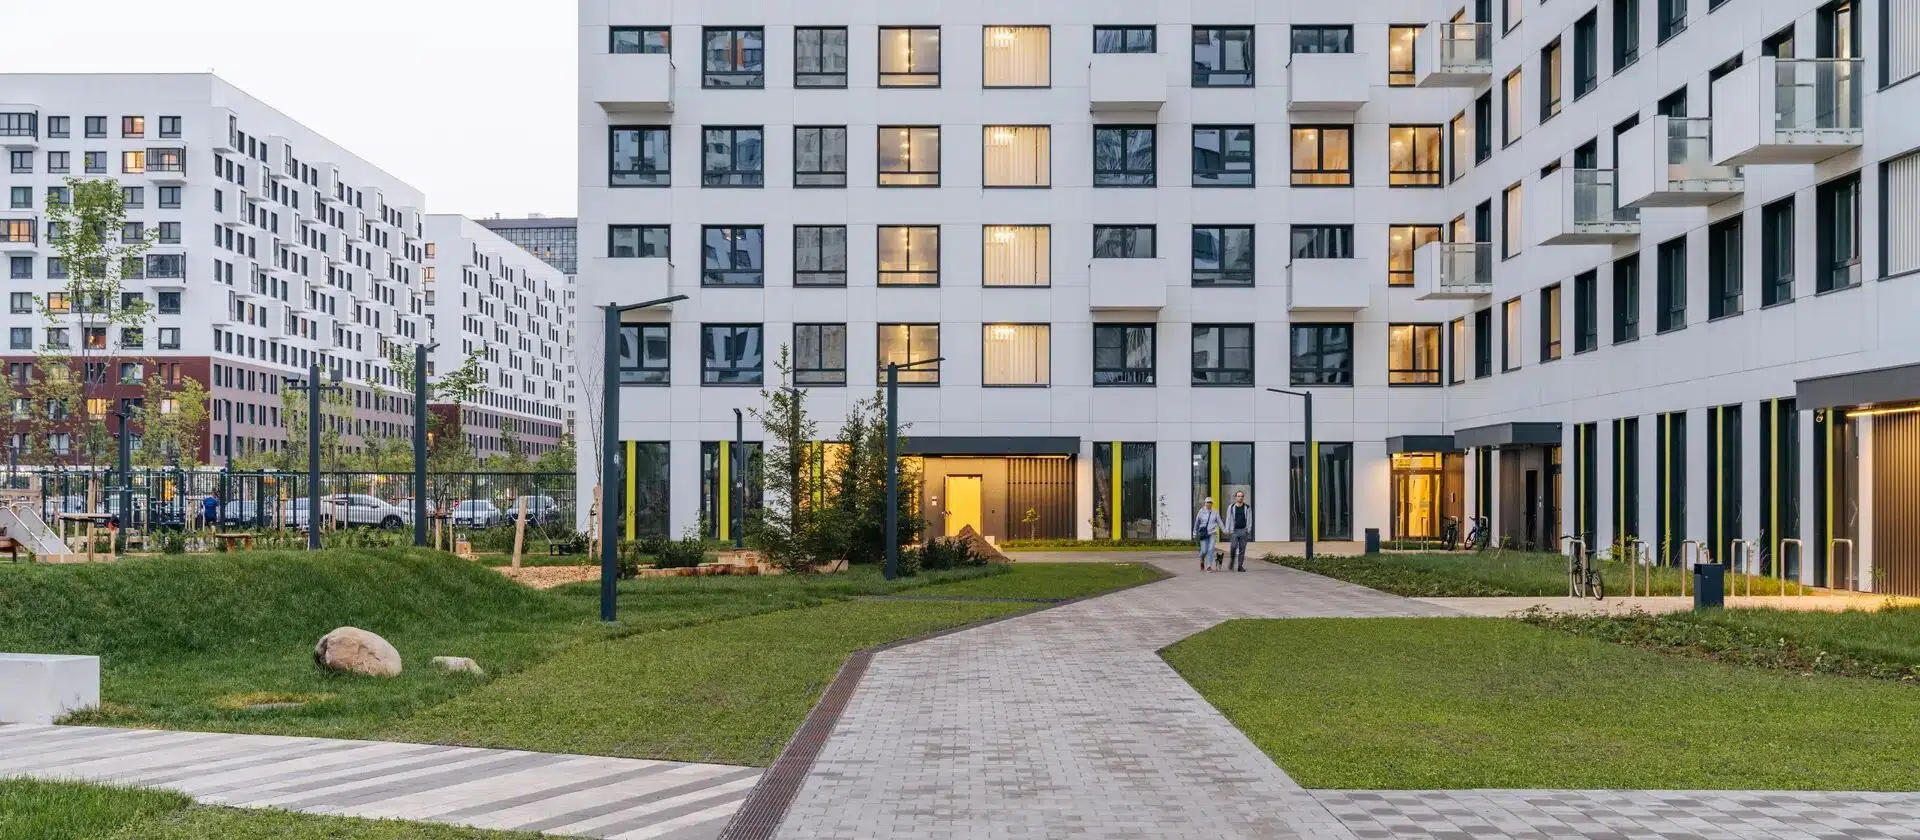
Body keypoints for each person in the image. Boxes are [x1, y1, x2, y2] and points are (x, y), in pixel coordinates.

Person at [1193, 497, 1224, 572]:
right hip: (1203, 533)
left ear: (1212, 503)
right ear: (1205, 503)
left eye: (1210, 502)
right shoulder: (1201, 511)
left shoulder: (1215, 512)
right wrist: (1194, 532)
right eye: (1207, 502)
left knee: (1211, 549)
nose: (1209, 504)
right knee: (1204, 551)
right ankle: (1202, 559)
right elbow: (1197, 522)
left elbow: (1219, 522)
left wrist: (1224, 530)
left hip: (1212, 533)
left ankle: (1209, 566)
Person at [1224, 491, 1252, 572]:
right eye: (1239, 496)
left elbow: (1250, 519)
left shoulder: (1247, 507)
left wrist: (1248, 530)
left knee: (1242, 549)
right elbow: (1228, 518)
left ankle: (1240, 566)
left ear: (1243, 497)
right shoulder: (1231, 507)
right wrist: (1227, 529)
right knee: (1233, 546)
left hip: (1243, 531)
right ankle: (1232, 560)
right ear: (1235, 497)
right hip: (1234, 531)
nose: (1240, 497)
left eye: (1242, 496)